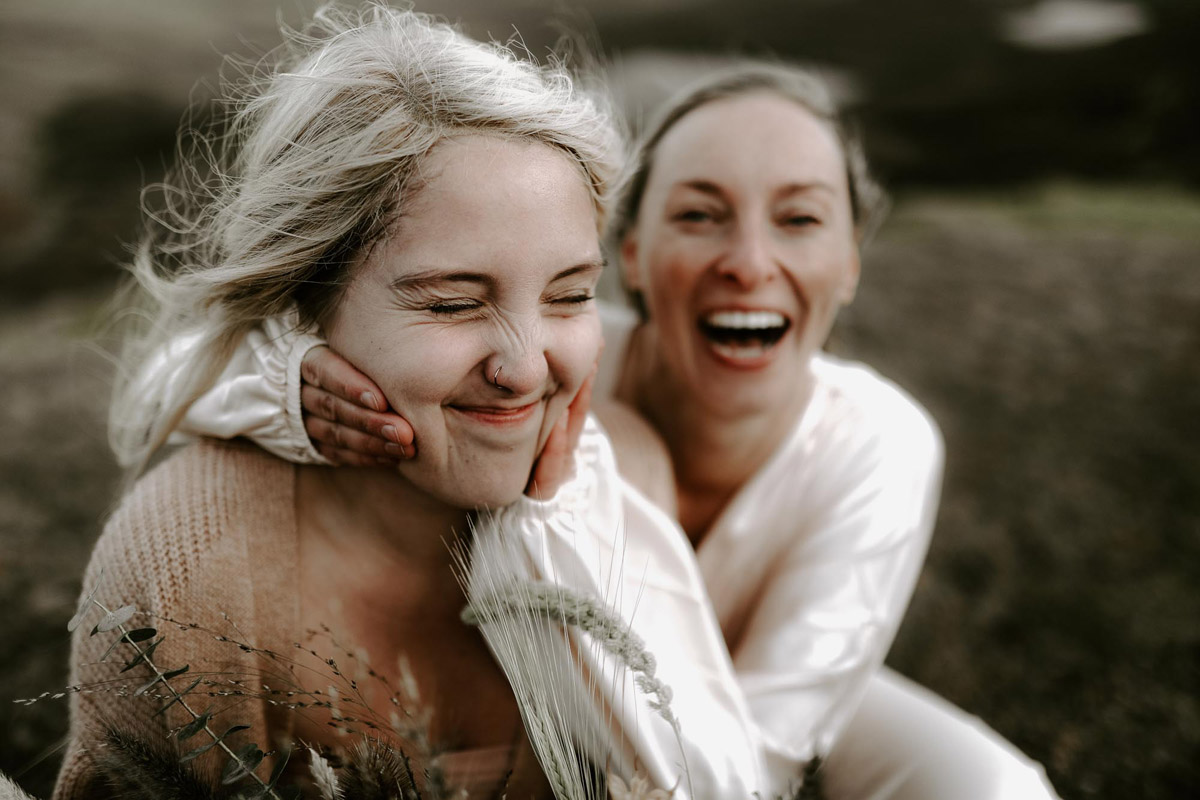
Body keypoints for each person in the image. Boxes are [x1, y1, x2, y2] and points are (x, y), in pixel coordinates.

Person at [167, 59, 1063, 799]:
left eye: (800, 219)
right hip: (530, 677)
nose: (749, 263)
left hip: (754, 706)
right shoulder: (534, 367)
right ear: (628, 258)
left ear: (851, 262)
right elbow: (179, 373)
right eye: (699, 214)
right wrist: (289, 386)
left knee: (998, 788)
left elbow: (757, 766)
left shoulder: (882, 442)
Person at [55, 7, 773, 800]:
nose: (526, 368)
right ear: (307, 298)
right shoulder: (189, 573)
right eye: (453, 305)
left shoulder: (628, 475)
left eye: (570, 295)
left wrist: (559, 523)